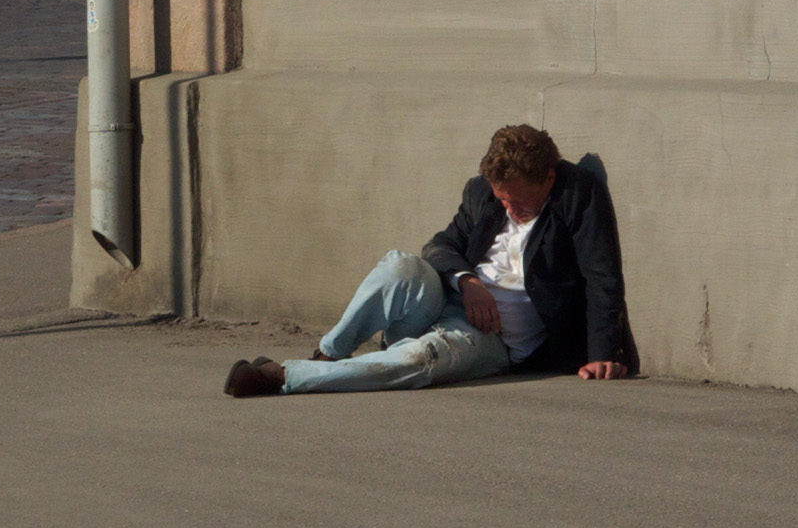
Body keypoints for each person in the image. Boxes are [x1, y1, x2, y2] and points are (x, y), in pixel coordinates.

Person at [225, 123, 637, 397]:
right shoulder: (482, 193)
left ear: (547, 177)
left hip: (493, 340)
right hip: (444, 301)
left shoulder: (576, 195)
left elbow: (602, 275)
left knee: (417, 360)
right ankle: (328, 355)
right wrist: (466, 282)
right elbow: (441, 245)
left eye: (518, 200)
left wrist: (603, 353)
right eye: (502, 200)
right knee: (400, 264)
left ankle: (284, 376)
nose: (509, 209)